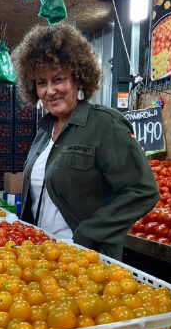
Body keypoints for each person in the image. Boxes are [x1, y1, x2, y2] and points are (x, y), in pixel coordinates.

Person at [13, 23, 158, 259]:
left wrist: (88, 234)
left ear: (79, 79)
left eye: (58, 79)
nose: (50, 91)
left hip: (86, 259)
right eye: (41, 83)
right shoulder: (43, 132)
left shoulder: (105, 124)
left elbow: (143, 190)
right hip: (41, 256)